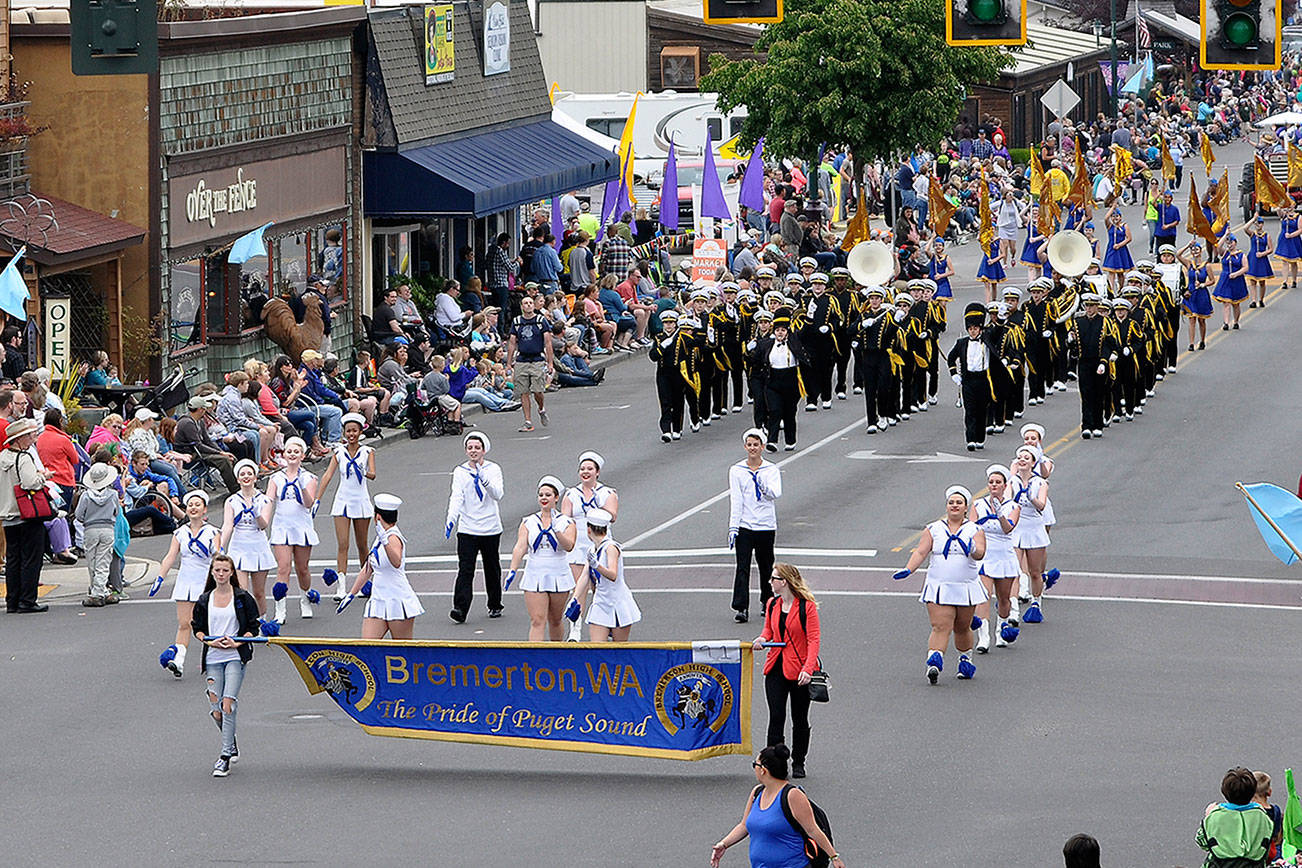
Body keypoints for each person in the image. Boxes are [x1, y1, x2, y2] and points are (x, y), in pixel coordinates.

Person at [893, 485, 987, 684]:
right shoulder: (934, 528)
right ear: (946, 506)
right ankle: (934, 661)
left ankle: (965, 660)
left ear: (965, 508)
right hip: (939, 586)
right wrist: (909, 569)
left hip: (966, 586)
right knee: (940, 625)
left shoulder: (974, 529)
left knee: (962, 627)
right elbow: (920, 552)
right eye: (951, 502)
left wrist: (972, 547)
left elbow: (980, 553)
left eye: (958, 503)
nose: (954, 506)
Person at [710, 743, 845, 868]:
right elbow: (744, 825)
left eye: (755, 765)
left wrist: (834, 857)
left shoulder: (793, 795)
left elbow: (812, 830)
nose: (754, 769)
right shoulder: (757, 792)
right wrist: (724, 844)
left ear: (763, 770)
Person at [191, 553, 260, 777]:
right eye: (217, 570)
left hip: (234, 656)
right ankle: (231, 741)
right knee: (216, 710)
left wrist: (238, 641)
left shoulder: (242, 598)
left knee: (228, 703)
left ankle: (224, 756)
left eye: (225, 570)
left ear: (231, 573)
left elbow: (253, 626)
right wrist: (210, 640)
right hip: (213, 657)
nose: (221, 574)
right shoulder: (205, 599)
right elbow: (197, 629)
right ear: (212, 573)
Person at [752, 562, 821, 779]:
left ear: (785, 582)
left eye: (774, 579)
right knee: (776, 716)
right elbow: (769, 630)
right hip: (776, 668)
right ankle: (773, 764)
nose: (770, 582)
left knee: (799, 718)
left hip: (799, 670)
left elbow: (813, 640)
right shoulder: (772, 604)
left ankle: (799, 761)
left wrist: (808, 669)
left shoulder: (806, 607)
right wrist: (763, 639)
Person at [153, 489, 219, 679]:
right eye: (190, 505)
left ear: (205, 509)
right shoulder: (180, 533)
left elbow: (219, 556)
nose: (193, 508)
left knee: (209, 624)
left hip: (205, 581)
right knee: (184, 623)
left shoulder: (212, 532)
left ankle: (215, 660)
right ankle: (179, 661)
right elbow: (170, 556)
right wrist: (160, 577)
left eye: (197, 505)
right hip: (185, 581)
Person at [337, 494, 423, 639]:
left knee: (402, 651)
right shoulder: (379, 538)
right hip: (378, 598)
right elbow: (368, 568)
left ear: (377, 517)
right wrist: (351, 594)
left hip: (397, 599)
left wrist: (385, 541)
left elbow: (396, 562)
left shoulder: (393, 537)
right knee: (368, 646)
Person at [444, 431, 505, 623]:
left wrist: (484, 479)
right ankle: (460, 608)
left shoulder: (493, 469)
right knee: (465, 569)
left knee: (492, 567)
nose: (473, 451)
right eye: (470, 447)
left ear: (484, 450)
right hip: (467, 528)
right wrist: (451, 518)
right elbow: (457, 496)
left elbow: (498, 494)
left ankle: (495, 604)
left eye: (477, 447)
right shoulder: (460, 472)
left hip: (490, 527)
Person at [506, 475, 576, 641]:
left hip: (558, 572)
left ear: (556, 497)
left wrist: (557, 531)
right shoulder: (528, 521)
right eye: (541, 495)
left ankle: (556, 654)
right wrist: (512, 570)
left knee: (555, 619)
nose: (544, 498)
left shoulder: (567, 522)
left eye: (548, 495)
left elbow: (569, 546)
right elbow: (520, 546)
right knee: (537, 620)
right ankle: (535, 658)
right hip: (535, 572)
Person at [314, 413, 375, 603]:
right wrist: (317, 499)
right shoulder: (338, 453)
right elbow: (328, 476)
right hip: (342, 501)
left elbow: (373, 473)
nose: (351, 434)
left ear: (360, 432)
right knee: (343, 544)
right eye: (348, 431)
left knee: (362, 544)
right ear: (344, 433)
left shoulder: (368, 452)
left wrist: (364, 471)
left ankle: (365, 583)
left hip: (361, 501)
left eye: (354, 431)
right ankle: (341, 586)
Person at [561, 451, 618, 641]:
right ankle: (575, 629)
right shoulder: (571, 494)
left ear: (597, 472)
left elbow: (613, 516)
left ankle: (607, 624)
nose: (586, 472)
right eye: (583, 469)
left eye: (590, 469)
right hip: (579, 545)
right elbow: (565, 520)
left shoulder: (607, 493)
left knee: (601, 589)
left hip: (600, 544)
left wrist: (595, 506)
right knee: (579, 588)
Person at [729, 428, 782, 624]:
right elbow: (736, 499)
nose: (752, 448)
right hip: (745, 525)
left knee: (766, 565)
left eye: (756, 445)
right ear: (745, 447)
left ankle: (767, 601)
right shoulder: (737, 470)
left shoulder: (771, 469)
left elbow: (775, 494)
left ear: (762, 447)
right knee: (742, 566)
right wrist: (733, 527)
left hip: (765, 525)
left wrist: (763, 486)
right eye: (749, 445)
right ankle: (741, 606)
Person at [267, 437, 320, 623]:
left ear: (302, 456)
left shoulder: (309, 478)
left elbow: (308, 503)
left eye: (296, 452)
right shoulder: (276, 478)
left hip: (302, 526)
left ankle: (305, 599)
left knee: (302, 568)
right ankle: (280, 609)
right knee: (283, 567)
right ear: (284, 454)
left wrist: (300, 483)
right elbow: (268, 501)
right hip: (282, 526)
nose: (292, 455)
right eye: (289, 451)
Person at [970, 464, 1021, 653]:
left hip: (1004, 555)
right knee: (983, 596)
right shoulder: (978, 504)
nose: (993, 485)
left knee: (1004, 598)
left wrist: (1000, 514)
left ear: (1005, 485)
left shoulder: (1013, 506)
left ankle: (1002, 629)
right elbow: (972, 528)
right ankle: (983, 636)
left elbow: (1008, 528)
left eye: (998, 482)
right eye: (991, 482)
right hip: (985, 554)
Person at [1, 418, 48, 613]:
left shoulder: (2, 457)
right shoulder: (24, 457)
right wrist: (44, 476)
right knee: (31, 558)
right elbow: (30, 483)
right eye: (30, 434)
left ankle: (12, 600)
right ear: (21, 438)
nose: (33, 437)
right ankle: (27, 600)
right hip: (26, 514)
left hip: (7, 515)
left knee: (13, 558)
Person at [218, 459, 275, 618]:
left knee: (259, 592)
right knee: (241, 592)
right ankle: (245, 623)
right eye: (242, 474)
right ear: (238, 479)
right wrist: (220, 547)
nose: (246, 477)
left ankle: (262, 619)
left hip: (258, 545)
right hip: (239, 546)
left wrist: (257, 513)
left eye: (249, 474)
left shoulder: (264, 500)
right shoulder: (231, 501)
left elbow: (263, 525)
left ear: (255, 477)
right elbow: (228, 525)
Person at [581, 507, 639, 641]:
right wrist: (575, 599)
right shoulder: (592, 549)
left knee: (619, 651)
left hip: (618, 603)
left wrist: (597, 566)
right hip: (601, 602)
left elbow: (613, 575)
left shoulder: (611, 548)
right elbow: (584, 576)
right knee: (597, 649)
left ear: (589, 529)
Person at [1196, 767, 1273, 867]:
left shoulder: (1215, 817)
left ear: (1224, 791)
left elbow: (1202, 841)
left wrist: (1208, 816)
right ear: (1253, 791)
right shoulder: (1263, 818)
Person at [755, 314, 809, 452]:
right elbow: (757, 361)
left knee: (789, 412)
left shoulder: (794, 342)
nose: (780, 333)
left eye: (783, 330)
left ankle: (790, 440)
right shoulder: (766, 344)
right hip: (773, 381)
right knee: (774, 410)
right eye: (777, 330)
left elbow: (805, 331)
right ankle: (772, 441)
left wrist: (807, 317)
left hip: (791, 380)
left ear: (787, 332)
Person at [506, 295, 555, 433]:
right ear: (522, 306)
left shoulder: (540, 321)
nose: (527, 305)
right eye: (525, 303)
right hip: (522, 359)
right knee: (523, 391)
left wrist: (550, 362)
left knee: (538, 390)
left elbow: (548, 342)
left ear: (533, 306)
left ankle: (541, 408)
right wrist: (509, 363)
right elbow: (512, 343)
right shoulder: (517, 322)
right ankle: (528, 421)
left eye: (530, 303)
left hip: (537, 359)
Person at [77, 463, 122, 608]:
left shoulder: (85, 496)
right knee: (104, 561)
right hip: (108, 528)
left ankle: (97, 590)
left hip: (90, 529)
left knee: (92, 561)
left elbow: (78, 515)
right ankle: (100, 591)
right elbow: (117, 512)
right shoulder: (113, 494)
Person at [173, 396, 239, 493]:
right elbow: (198, 445)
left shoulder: (199, 421)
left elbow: (207, 440)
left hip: (198, 451)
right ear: (200, 409)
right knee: (224, 460)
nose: (206, 410)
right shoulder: (187, 423)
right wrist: (220, 454)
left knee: (231, 457)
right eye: (204, 408)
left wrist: (221, 451)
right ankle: (235, 490)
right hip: (190, 454)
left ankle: (241, 485)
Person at [1245, 216, 1274, 309]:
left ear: (1263, 224)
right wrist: (1253, 219)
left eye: (1260, 223)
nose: (1258, 225)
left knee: (1262, 282)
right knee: (1252, 281)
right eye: (1257, 223)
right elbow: (1245, 228)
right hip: (1253, 258)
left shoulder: (1266, 235)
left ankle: (1261, 299)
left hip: (1261, 259)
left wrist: (1263, 253)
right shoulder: (1253, 234)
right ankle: (1254, 300)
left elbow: (1270, 249)